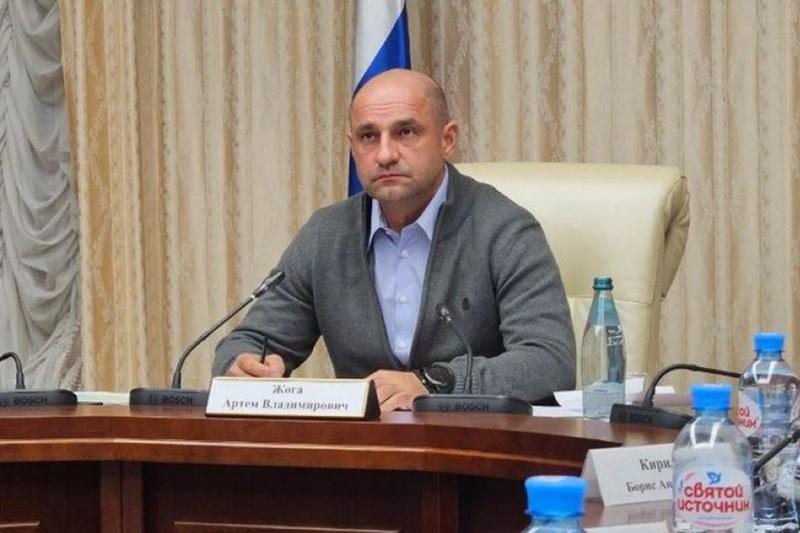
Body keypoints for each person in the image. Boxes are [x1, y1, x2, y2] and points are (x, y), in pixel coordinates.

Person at [213, 69, 575, 411]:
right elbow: (250, 341)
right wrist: (244, 364)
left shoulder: (504, 229)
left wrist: (433, 382)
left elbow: (548, 361)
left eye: (406, 132)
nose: (385, 155)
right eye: (369, 137)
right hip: (367, 449)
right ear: (353, 146)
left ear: (447, 140)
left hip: (472, 445)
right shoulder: (326, 235)